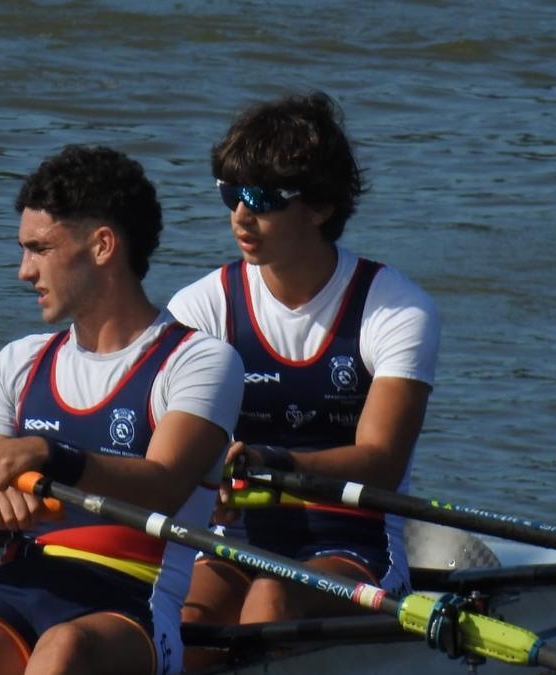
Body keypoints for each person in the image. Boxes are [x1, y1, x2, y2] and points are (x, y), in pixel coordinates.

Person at [0, 145, 244, 675]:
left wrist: (49, 456)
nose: (25, 271)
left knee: (63, 652)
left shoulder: (200, 361)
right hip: (19, 583)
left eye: (40, 249)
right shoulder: (18, 363)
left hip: (132, 595)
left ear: (102, 246)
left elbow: (164, 486)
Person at [169, 92, 440, 664]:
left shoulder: (394, 309)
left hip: (353, 543)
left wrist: (278, 462)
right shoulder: (201, 308)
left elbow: (383, 459)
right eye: (229, 192)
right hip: (233, 537)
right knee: (179, 620)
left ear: (319, 207)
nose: (241, 214)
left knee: (271, 594)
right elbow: (165, 443)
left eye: (263, 198)